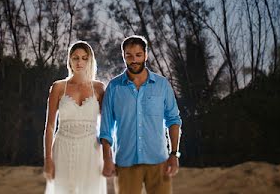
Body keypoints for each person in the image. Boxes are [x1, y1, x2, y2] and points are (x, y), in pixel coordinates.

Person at [99, 35, 182, 194]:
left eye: (138, 55)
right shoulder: (114, 87)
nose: (134, 60)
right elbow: (105, 128)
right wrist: (107, 159)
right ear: (123, 57)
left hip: (159, 162)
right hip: (126, 163)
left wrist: (174, 154)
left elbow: (173, 120)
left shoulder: (162, 85)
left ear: (145, 55)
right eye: (128, 56)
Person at [43, 40, 107, 194]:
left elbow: (106, 126)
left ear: (90, 60)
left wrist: (107, 157)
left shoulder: (99, 88)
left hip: (91, 150)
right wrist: (48, 159)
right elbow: (50, 126)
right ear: (69, 60)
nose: (80, 62)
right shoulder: (58, 87)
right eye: (75, 58)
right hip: (63, 149)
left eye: (84, 58)